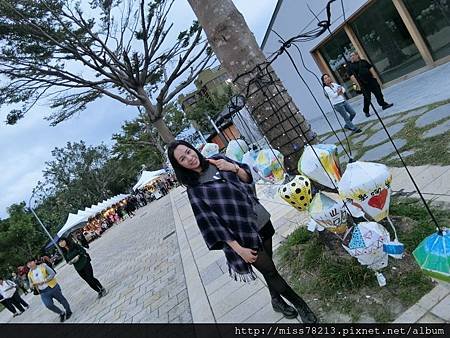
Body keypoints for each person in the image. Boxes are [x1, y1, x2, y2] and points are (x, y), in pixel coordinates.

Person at [167, 140, 317, 323]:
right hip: (242, 237)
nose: (189, 158)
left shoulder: (218, 160)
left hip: (259, 218)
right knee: (270, 271)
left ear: (193, 149)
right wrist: (239, 249)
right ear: (179, 166)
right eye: (182, 159)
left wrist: (232, 167)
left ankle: (276, 300)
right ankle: (302, 306)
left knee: (270, 268)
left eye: (189, 152)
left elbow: (247, 178)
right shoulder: (195, 190)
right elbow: (211, 223)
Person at [347, 52, 393, 117]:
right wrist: (358, 85)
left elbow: (370, 68)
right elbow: (352, 77)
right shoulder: (350, 66)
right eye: (350, 56)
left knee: (378, 93)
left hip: (371, 81)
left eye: (353, 55)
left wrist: (374, 76)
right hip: (363, 84)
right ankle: (366, 111)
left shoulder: (363, 61)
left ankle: (383, 105)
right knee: (367, 98)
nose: (352, 57)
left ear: (357, 55)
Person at [27, 258, 72, 322]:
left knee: (61, 300)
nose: (30, 264)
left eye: (30, 262)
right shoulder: (29, 274)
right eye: (28, 264)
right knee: (48, 304)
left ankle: (68, 311)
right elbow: (30, 284)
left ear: (35, 261)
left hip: (52, 287)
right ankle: (61, 313)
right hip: (43, 292)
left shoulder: (43, 266)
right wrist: (32, 285)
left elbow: (52, 273)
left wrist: (45, 281)